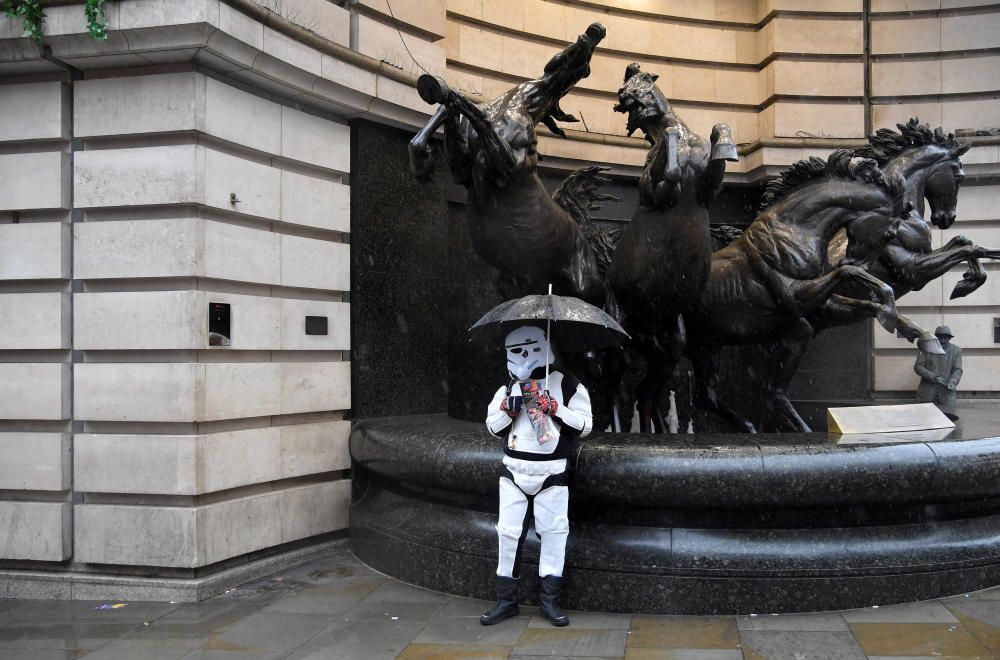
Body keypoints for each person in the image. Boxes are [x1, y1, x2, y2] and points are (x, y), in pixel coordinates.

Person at [481, 325, 592, 627]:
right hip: (514, 471)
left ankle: (549, 601)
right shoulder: (507, 388)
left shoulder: (567, 385)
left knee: (555, 534)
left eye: (531, 348)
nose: (524, 358)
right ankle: (506, 600)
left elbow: (585, 425)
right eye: (516, 351)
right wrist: (507, 410)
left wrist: (556, 409)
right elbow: (492, 426)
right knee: (507, 533)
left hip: (552, 473)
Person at [915, 325, 963, 414]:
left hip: (947, 393)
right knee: (926, 419)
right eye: (940, 337)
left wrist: (953, 381)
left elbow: (957, 369)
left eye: (945, 337)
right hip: (928, 393)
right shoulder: (926, 348)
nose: (942, 340)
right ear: (935, 338)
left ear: (949, 338)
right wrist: (933, 377)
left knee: (948, 419)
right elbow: (918, 367)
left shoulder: (956, 350)